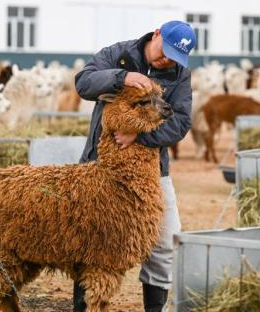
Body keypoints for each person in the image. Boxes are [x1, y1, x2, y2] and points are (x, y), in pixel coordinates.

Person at [74, 20, 196, 312]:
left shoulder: (179, 74)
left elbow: (180, 122)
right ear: (156, 34)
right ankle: (82, 307)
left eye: (174, 57)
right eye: (165, 51)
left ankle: (154, 309)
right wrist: (121, 78)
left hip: (152, 172)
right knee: (89, 239)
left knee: (165, 240)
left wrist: (140, 135)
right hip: (100, 165)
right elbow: (83, 83)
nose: (167, 60)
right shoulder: (118, 54)